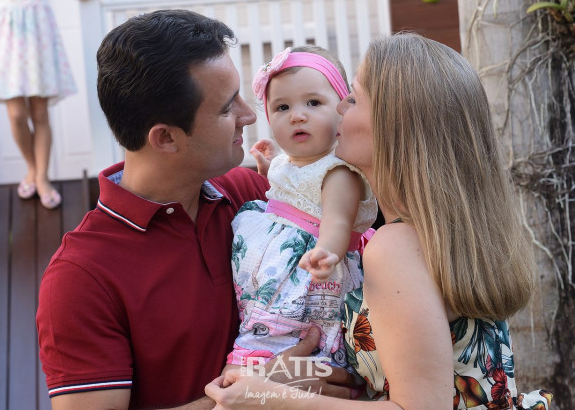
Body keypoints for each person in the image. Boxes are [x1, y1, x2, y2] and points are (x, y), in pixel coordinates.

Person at [205, 33, 553, 410]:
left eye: (353, 98)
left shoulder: (396, 247)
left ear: (395, 124)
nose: (340, 106)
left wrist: (266, 396)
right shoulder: (436, 232)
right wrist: (299, 376)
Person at [36, 10, 355, 410]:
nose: (249, 115)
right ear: (166, 138)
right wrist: (258, 393)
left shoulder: (254, 198)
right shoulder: (81, 278)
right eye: (226, 108)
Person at [225, 46, 377, 369]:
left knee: (301, 325)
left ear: (341, 109)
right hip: (275, 269)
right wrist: (268, 169)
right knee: (264, 313)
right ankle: (258, 347)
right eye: (282, 107)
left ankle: (278, 353)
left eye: (313, 103)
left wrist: (327, 252)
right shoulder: (288, 162)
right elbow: (292, 193)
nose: (297, 115)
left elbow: (337, 221)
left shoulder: (338, 173)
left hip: (310, 269)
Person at [0, 0, 77, 209]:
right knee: (16, 115)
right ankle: (31, 167)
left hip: (37, 22)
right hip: (5, 24)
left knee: (40, 113)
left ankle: (41, 176)